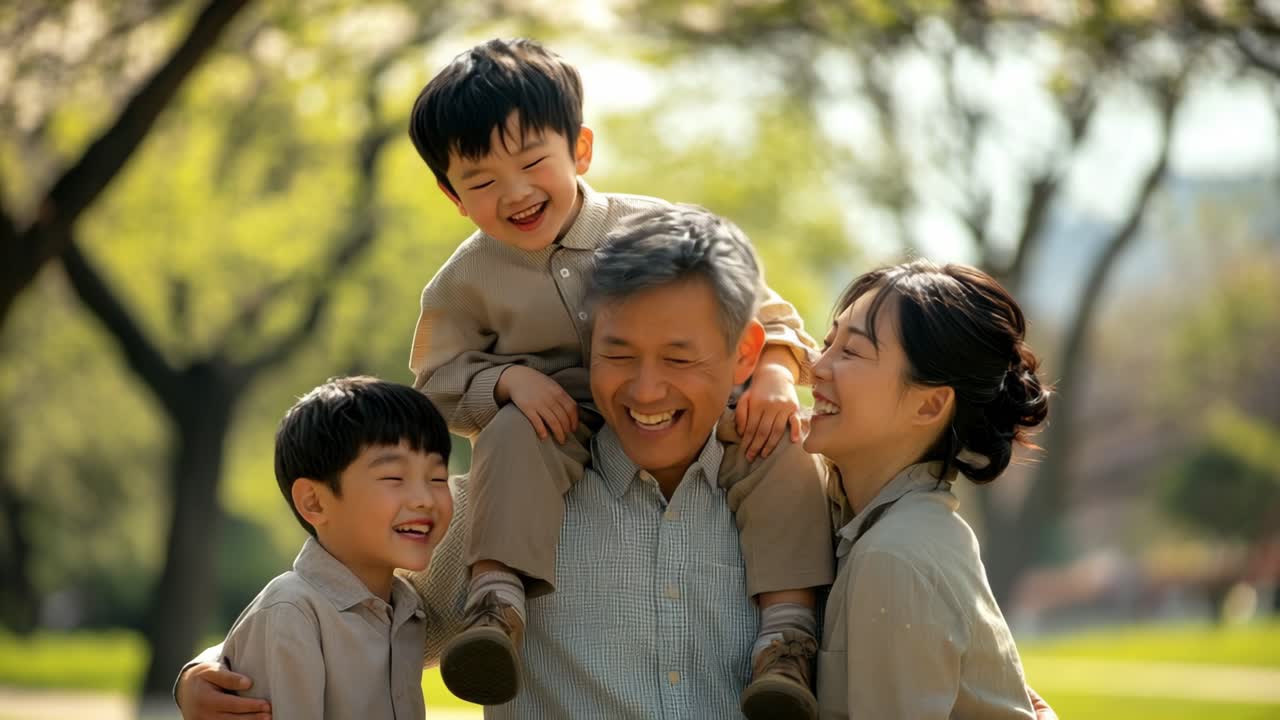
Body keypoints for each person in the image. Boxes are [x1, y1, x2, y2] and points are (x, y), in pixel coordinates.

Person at [176, 205, 834, 719]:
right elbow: (348, 609)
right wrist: (209, 672)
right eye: (618, 353)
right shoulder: (499, 509)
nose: (645, 389)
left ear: (746, 353)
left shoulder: (802, 497)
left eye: (680, 358)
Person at [406, 37, 831, 710]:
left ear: (580, 149)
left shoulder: (661, 231)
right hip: (556, 423)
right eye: (481, 182)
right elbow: (437, 382)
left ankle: (785, 638)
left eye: (532, 163)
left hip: (698, 419)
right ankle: (495, 604)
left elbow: (768, 315)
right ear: (452, 195)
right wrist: (510, 384)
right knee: (511, 436)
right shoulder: (465, 281)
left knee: (776, 445)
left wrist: (777, 375)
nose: (514, 193)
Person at [803, 260, 1052, 718]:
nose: (816, 367)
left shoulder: (895, 555)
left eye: (852, 352)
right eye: (826, 343)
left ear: (931, 403)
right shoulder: (904, 527)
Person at [214, 376, 454, 719]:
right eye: (393, 478)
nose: (424, 499)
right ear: (314, 502)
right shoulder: (292, 614)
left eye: (437, 479)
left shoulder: (407, 610)